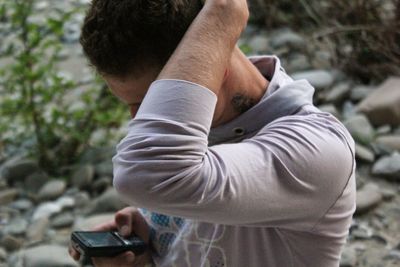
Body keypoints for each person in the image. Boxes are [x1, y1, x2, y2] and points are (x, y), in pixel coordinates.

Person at [69, 0, 356, 266]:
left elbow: (146, 175)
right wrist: (149, 234)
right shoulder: (190, 130)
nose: (139, 119)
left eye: (152, 99)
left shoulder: (317, 149)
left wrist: (223, 13)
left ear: (212, 67)